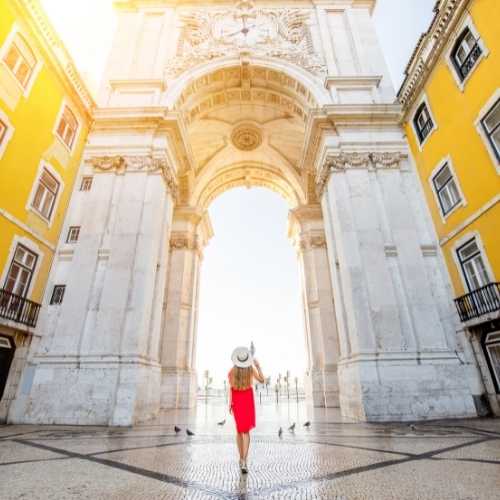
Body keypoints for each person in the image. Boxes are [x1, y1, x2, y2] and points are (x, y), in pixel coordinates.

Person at [228, 346, 265, 474]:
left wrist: (230, 403)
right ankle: (244, 460)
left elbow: (231, 388)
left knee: (239, 430)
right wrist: (258, 366)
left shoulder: (232, 372)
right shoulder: (251, 369)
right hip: (247, 399)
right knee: (246, 431)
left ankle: (241, 459)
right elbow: (262, 380)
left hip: (237, 400)